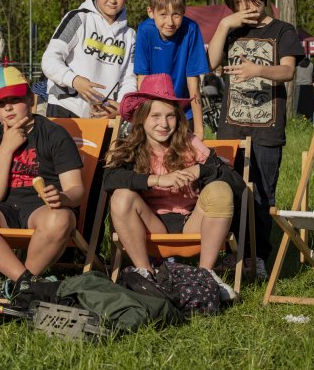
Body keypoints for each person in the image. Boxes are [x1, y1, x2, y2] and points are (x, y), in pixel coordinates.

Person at [102, 73, 243, 301]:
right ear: (141, 117)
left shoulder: (190, 143)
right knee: (121, 196)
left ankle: (206, 276)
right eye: (155, 116)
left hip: (191, 222)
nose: (164, 124)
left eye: (170, 116)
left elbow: (237, 183)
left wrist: (199, 170)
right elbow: (109, 180)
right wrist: (157, 180)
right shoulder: (131, 147)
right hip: (150, 223)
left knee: (221, 190)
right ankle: (145, 274)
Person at [206, 0, 304, 279]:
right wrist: (224, 25)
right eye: (238, 3)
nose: (246, 8)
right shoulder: (231, 30)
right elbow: (210, 63)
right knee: (226, 190)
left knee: (262, 194)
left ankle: (258, 256)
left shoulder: (283, 31)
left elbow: (288, 71)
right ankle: (231, 253)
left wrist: (256, 71)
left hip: (267, 127)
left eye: (250, 0)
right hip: (231, 127)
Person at [0, 66, 84, 295]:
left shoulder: (54, 134)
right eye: (1, 103)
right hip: (4, 209)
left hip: (42, 209)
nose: (8, 108)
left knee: (61, 218)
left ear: (31, 98)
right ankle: (25, 283)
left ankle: (16, 287)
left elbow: (76, 190)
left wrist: (62, 197)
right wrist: (6, 148)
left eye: (15, 99)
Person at [41, 0, 136, 119]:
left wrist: (120, 106)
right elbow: (49, 60)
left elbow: (129, 80)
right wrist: (74, 80)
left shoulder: (130, 36)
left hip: (103, 116)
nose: (112, 0)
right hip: (65, 107)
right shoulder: (77, 19)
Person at [133, 0, 210, 138]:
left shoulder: (191, 29)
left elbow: (193, 83)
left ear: (183, 12)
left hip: (184, 112)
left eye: (176, 15)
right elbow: (142, 80)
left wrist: (199, 130)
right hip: (154, 112)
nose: (170, 22)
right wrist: (143, 121)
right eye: (163, 15)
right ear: (151, 12)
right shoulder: (145, 30)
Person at [294, 56, 314, 121]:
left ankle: (298, 121)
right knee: (308, 107)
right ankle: (308, 122)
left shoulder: (296, 65)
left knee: (298, 107)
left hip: (298, 87)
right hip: (309, 87)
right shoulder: (312, 65)